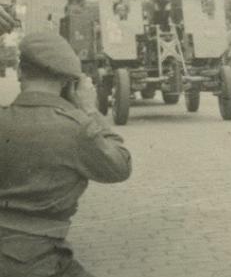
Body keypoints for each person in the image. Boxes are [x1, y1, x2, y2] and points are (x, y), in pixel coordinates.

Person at [0, 32, 132, 277]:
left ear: (20, 72)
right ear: (67, 82)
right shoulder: (76, 129)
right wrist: (90, 110)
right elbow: (121, 165)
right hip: (35, 257)